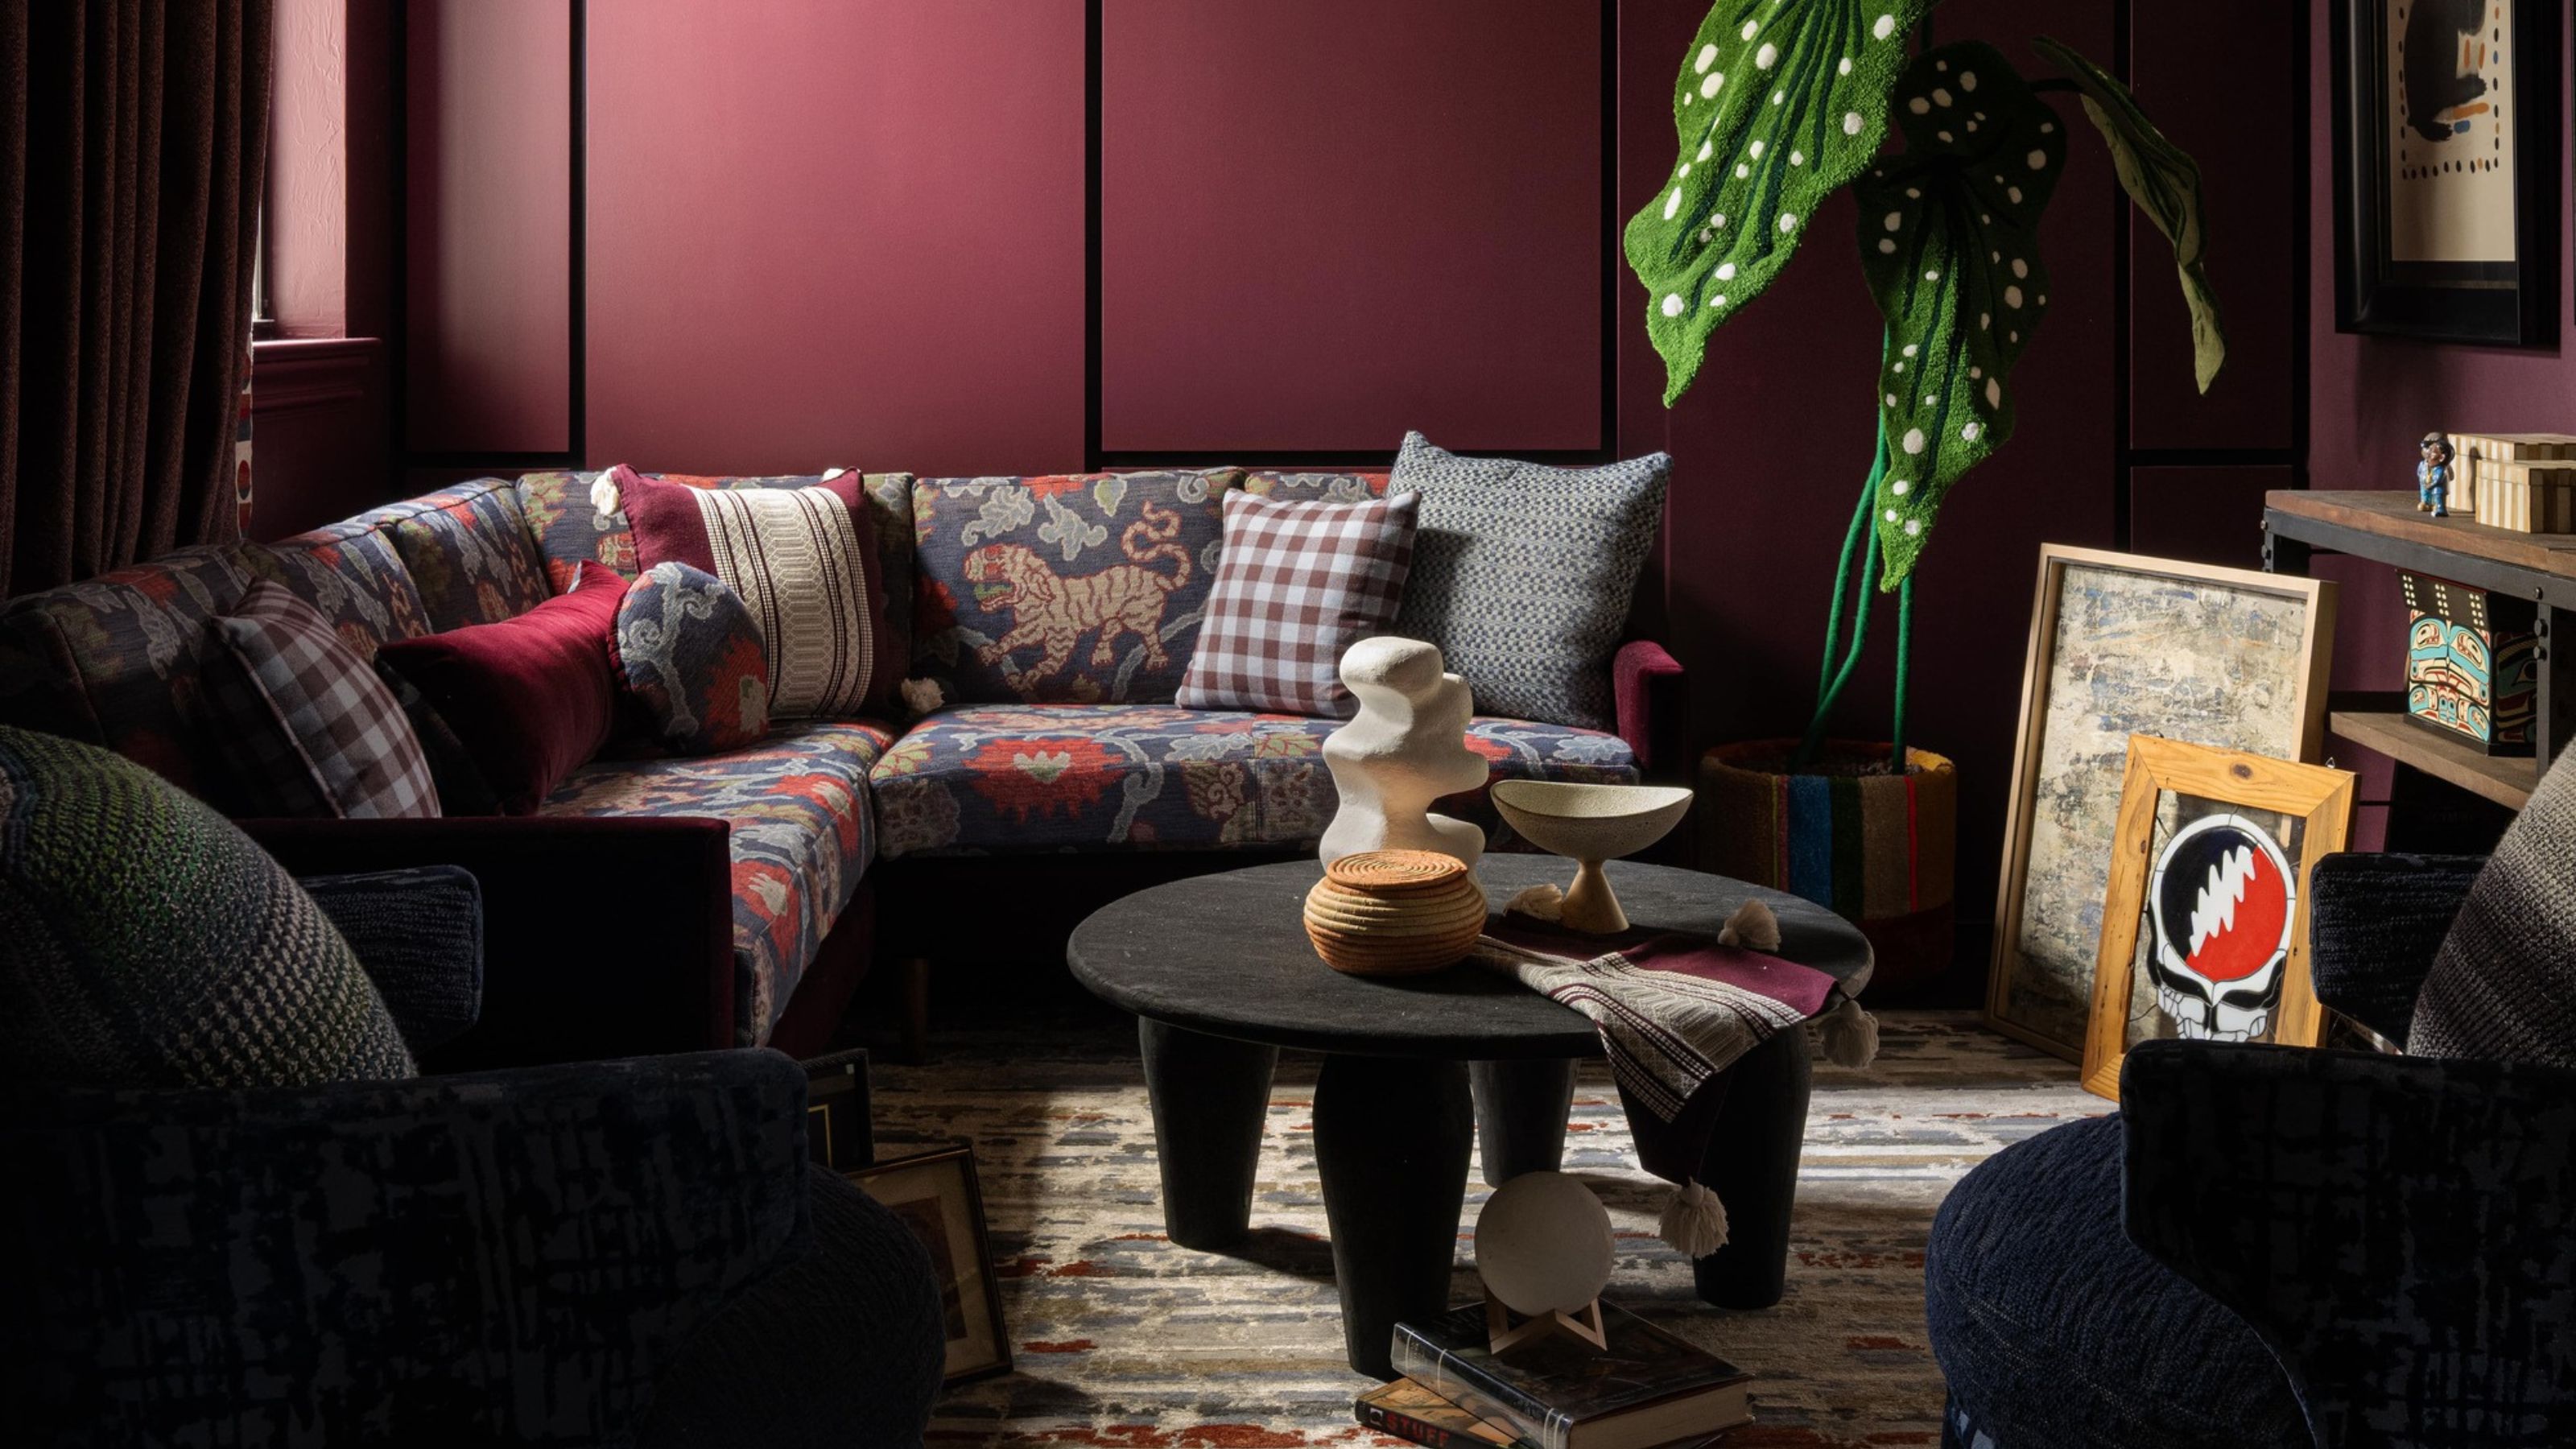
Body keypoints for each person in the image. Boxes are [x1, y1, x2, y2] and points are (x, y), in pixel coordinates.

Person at [2418, 432, 2454, 517]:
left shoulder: (2441, 468)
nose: (2428, 453)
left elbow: (2442, 478)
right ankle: (2425, 502)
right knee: (2424, 493)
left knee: (2438, 496)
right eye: (2428, 449)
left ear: (2442, 457)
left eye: (2431, 451)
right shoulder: (2423, 464)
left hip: (2436, 487)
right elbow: (2419, 472)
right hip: (2424, 483)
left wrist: (2431, 484)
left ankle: (2439, 508)